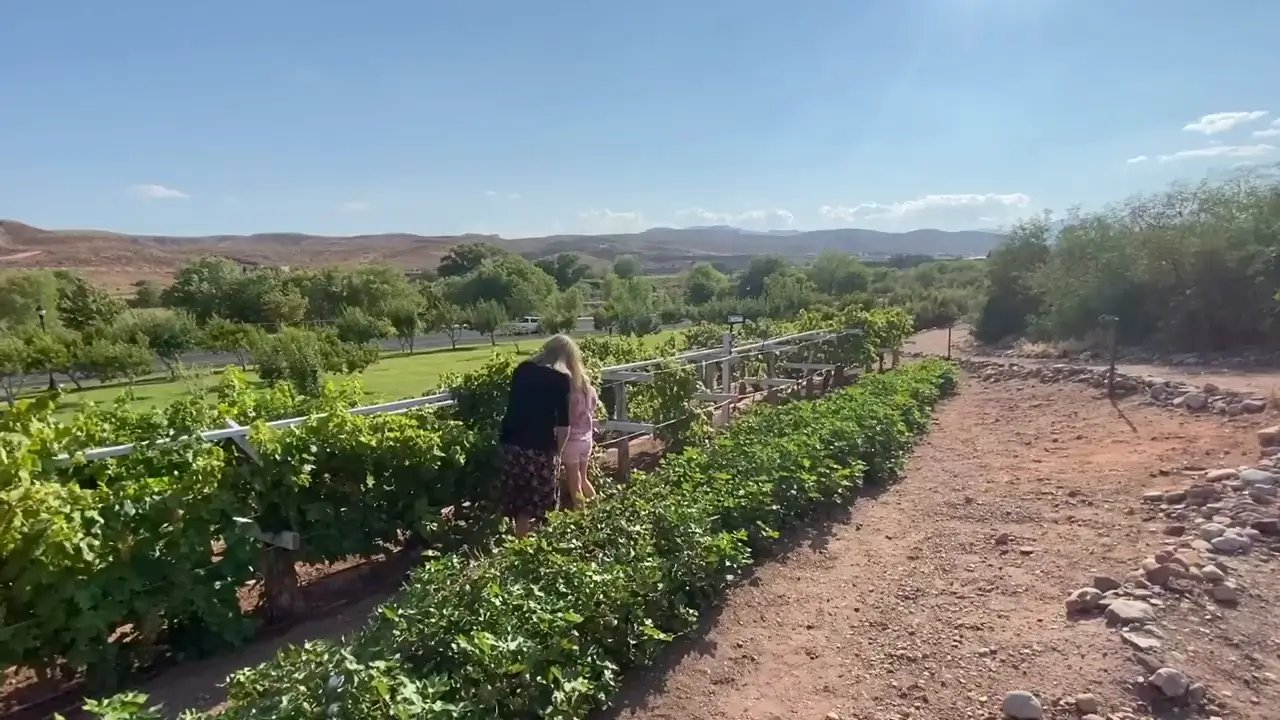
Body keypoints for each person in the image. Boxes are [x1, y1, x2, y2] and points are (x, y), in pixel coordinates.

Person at [497, 334, 582, 537]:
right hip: (540, 446)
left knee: (517, 497)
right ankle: (535, 548)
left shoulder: (522, 369)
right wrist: (558, 453)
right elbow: (563, 424)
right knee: (538, 503)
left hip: (511, 441)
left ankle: (519, 541)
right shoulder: (561, 379)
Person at [562, 373, 599, 508]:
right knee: (583, 478)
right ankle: (597, 509)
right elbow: (593, 409)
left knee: (574, 482)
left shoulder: (568, 395)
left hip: (571, 440)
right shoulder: (590, 391)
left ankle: (581, 516)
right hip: (586, 439)